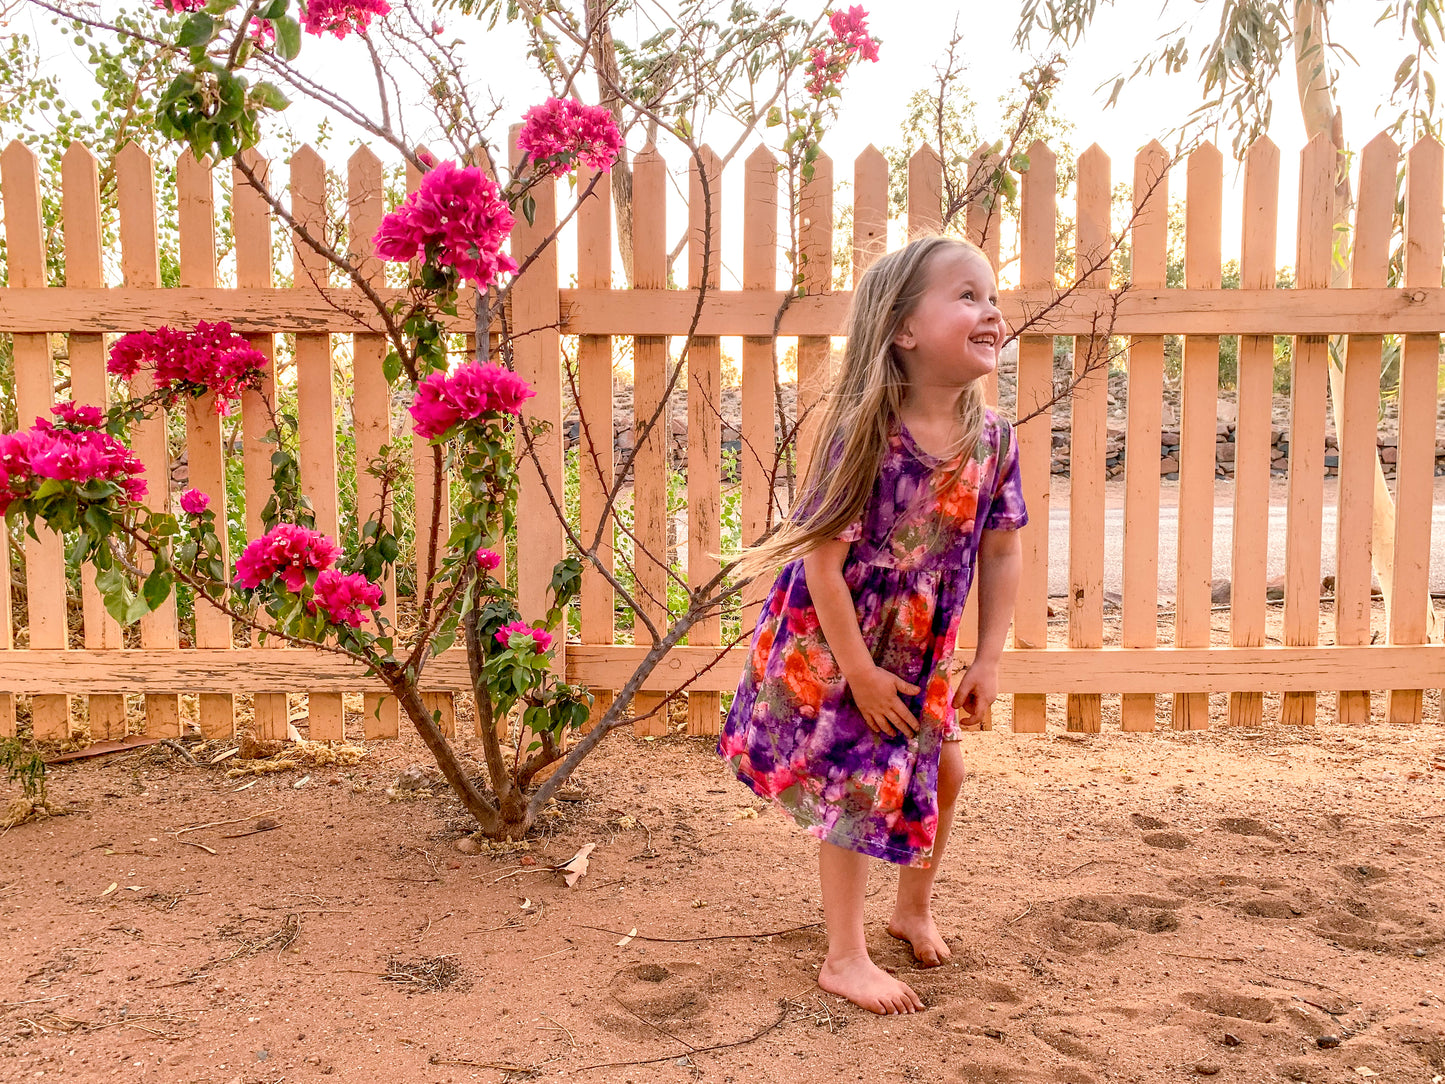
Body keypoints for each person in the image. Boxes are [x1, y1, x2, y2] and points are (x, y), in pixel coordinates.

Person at [720, 235, 1026, 1015]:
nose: (989, 310)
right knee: (857, 791)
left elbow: (998, 552)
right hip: (836, 645)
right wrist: (857, 671)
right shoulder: (862, 431)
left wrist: (987, 660)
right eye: (965, 295)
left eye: (990, 296)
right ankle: (843, 956)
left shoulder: (992, 440)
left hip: (922, 652)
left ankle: (912, 907)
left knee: (946, 773)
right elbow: (822, 566)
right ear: (902, 329)